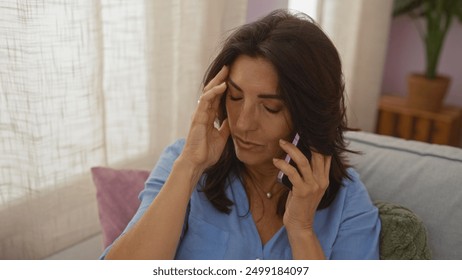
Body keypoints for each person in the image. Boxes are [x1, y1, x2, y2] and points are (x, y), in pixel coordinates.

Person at [102, 9, 381, 260]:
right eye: (235, 97)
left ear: (309, 115)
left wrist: (301, 231)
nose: (243, 124)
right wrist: (189, 168)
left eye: (270, 107)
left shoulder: (348, 201)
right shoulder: (183, 162)